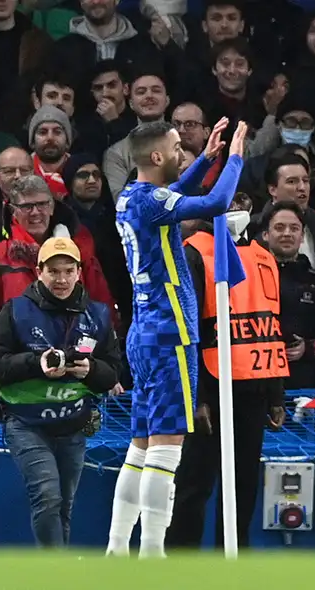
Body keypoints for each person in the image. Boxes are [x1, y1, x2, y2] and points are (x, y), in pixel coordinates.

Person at [105, 117, 248, 558]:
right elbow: (219, 201)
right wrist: (237, 156)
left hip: (143, 332)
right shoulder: (151, 203)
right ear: (156, 157)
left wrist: (206, 159)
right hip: (171, 333)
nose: (181, 151)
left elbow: (174, 194)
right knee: (168, 449)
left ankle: (116, 549)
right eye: (176, 148)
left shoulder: (131, 197)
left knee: (141, 446)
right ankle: (152, 554)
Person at [168, 197, 289, 550]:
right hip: (210, 382)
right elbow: (186, 332)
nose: (236, 205)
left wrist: (276, 394)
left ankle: (233, 561)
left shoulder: (265, 257)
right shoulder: (195, 252)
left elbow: (271, 326)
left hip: (254, 385)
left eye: (242, 199)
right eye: (228, 198)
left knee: (244, 485)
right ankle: (181, 564)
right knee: (194, 483)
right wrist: (198, 397)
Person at [0, 237, 120, 547]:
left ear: (79, 272)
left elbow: (113, 370)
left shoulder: (98, 315)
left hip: (73, 425)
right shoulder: (16, 310)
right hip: (25, 424)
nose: (61, 279)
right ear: (38, 271)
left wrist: (92, 372)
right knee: (47, 496)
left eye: (68, 271)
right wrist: (36, 362)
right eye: (53, 271)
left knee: (64, 505)